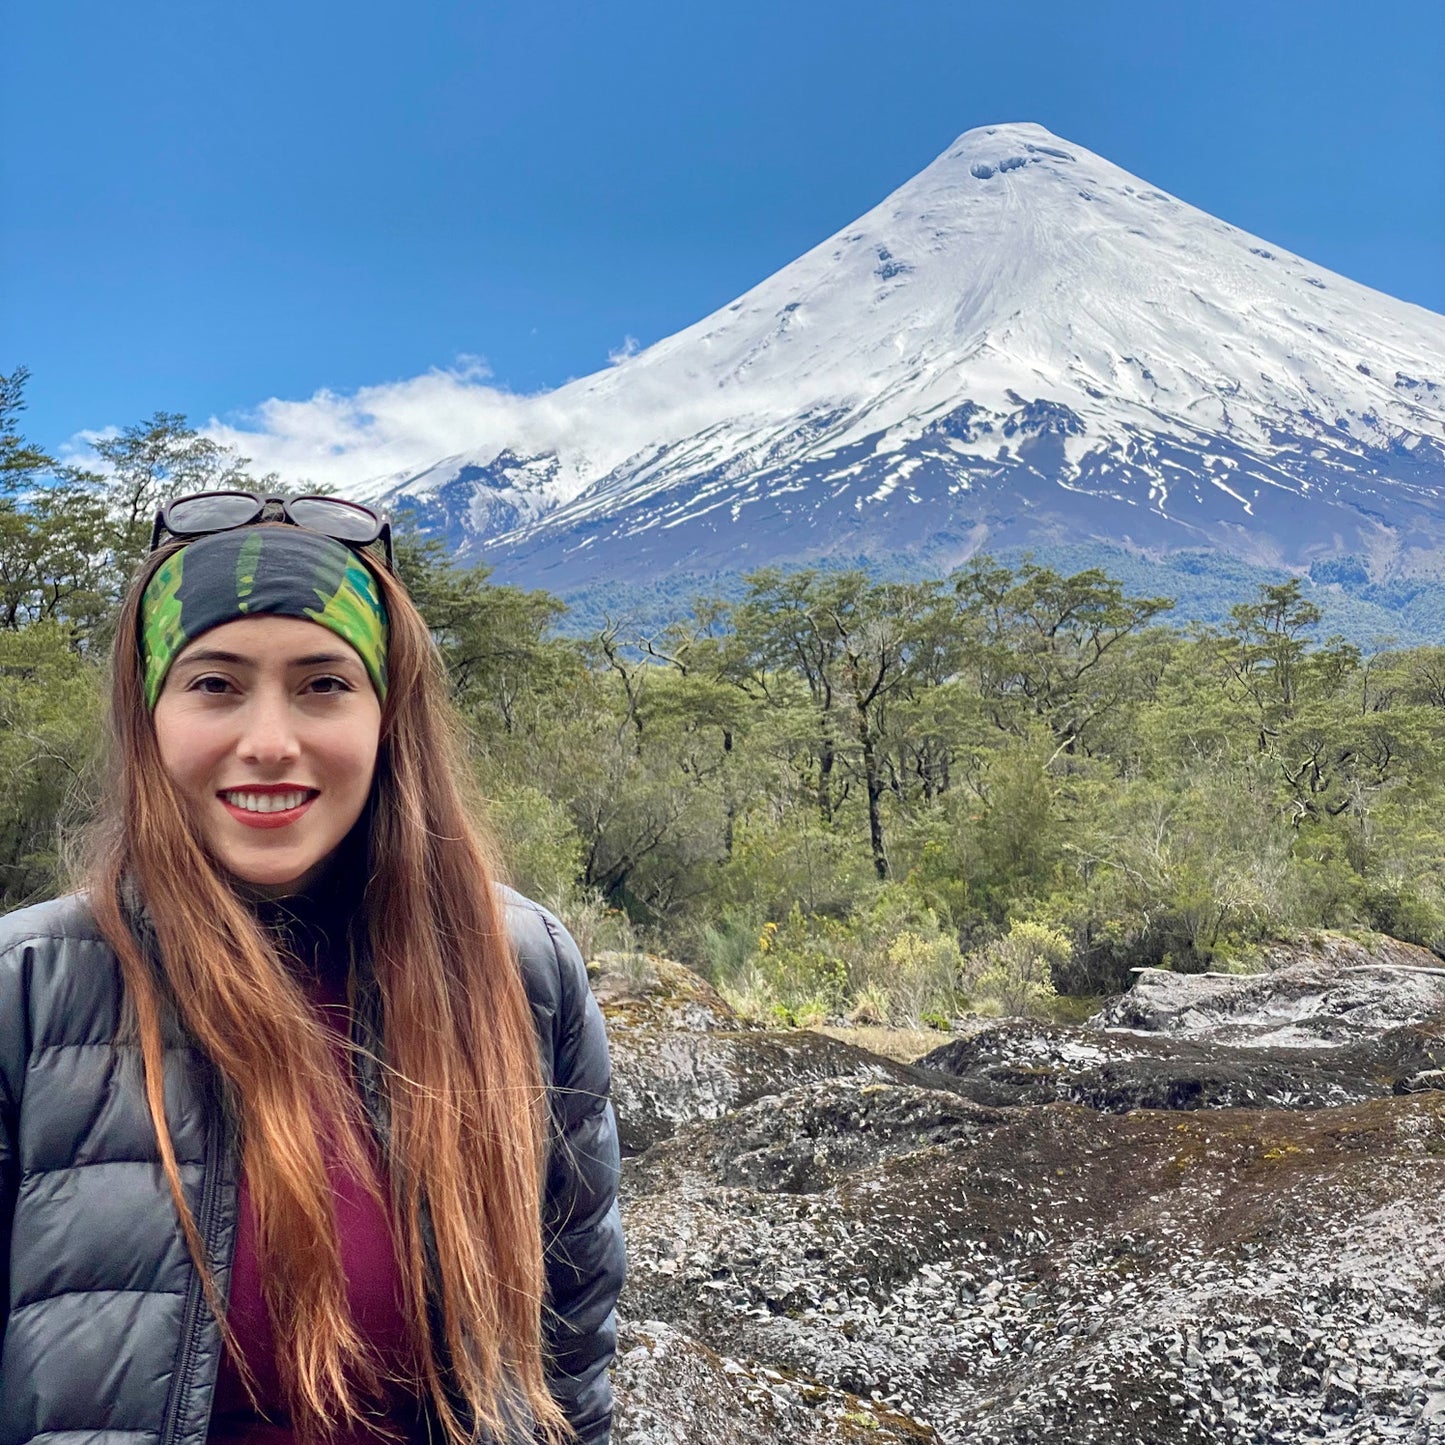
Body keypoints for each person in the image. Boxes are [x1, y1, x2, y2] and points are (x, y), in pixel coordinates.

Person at [0, 493, 624, 1445]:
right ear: (149, 714)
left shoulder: (519, 971)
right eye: (214, 683)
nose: (270, 740)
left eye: (323, 683)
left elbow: (569, 1354)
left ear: (387, 715)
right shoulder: (28, 991)